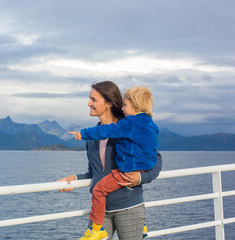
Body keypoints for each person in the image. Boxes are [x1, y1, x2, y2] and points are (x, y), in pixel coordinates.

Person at [57, 81, 162, 240]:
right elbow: (95, 172)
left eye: (93, 99)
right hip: (101, 211)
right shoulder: (93, 136)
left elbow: (155, 159)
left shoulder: (130, 127)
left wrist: (142, 177)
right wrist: (74, 179)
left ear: (109, 103)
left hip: (129, 207)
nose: (88, 103)